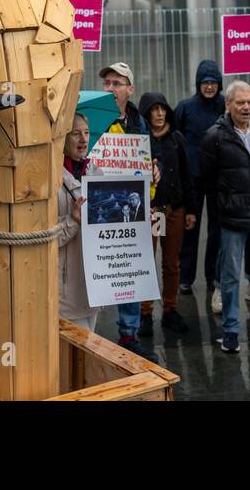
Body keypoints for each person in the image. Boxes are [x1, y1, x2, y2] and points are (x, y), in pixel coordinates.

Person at [200, 80, 250, 353]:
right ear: (228, 104)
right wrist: (225, 201)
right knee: (231, 275)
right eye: (240, 102)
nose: (246, 107)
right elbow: (207, 177)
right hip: (233, 217)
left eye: (249, 102)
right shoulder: (215, 136)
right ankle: (232, 329)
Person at [99, 62, 157, 359]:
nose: (110, 88)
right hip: (100, 207)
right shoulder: (94, 115)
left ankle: (128, 333)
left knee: (129, 271)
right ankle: (85, 331)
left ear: (129, 89)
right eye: (107, 83)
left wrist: (153, 171)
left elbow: (145, 157)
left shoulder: (139, 121)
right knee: (95, 272)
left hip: (131, 207)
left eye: (117, 83)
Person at [138, 92, 197, 336]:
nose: (160, 114)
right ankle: (145, 313)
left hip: (174, 210)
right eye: (154, 109)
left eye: (163, 109)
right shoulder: (141, 140)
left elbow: (187, 175)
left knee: (172, 263)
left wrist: (191, 210)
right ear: (147, 113)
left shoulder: (177, 139)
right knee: (147, 262)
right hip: (153, 212)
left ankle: (170, 309)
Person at [175, 60, 224, 297]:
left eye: (213, 82)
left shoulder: (225, 105)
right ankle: (185, 277)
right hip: (192, 178)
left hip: (218, 176)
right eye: (205, 82)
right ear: (198, 84)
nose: (209, 87)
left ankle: (213, 275)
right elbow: (176, 138)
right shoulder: (185, 108)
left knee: (217, 228)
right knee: (189, 227)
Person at [57, 114, 95, 331]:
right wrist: (72, 220)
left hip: (93, 286)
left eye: (87, 132)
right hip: (67, 292)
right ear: (62, 137)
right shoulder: (52, 181)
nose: (83, 139)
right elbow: (46, 238)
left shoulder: (95, 172)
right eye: (76, 133)